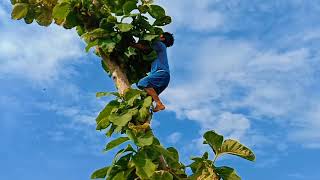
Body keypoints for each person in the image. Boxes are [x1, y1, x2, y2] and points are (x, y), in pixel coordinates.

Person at [130, 32, 174, 112]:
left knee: (142, 83)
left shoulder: (160, 44)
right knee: (147, 98)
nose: (157, 36)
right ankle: (146, 116)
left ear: (163, 38)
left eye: (160, 35)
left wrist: (132, 44)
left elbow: (145, 48)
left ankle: (159, 104)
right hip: (164, 78)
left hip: (161, 73)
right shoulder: (160, 51)